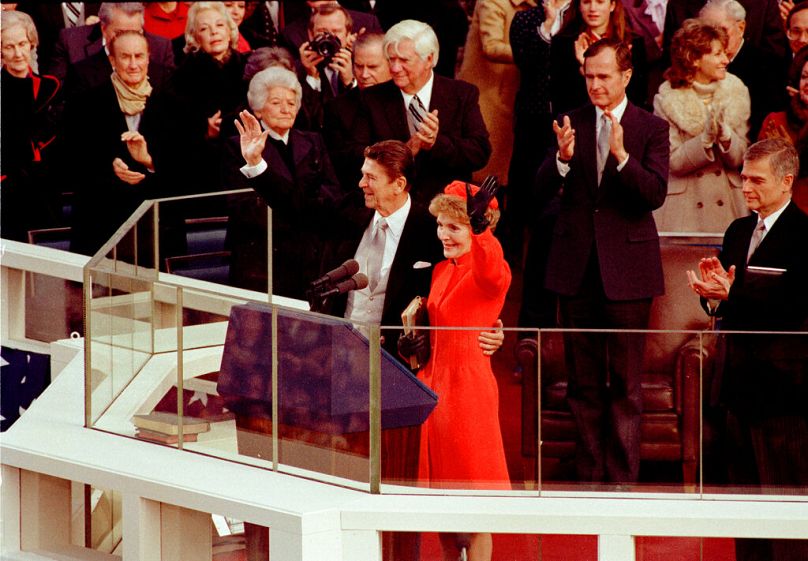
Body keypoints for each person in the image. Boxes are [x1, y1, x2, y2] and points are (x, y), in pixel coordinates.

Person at [535, 38, 669, 483]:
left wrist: (624, 158)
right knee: (583, 386)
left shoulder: (650, 128)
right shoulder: (568, 121)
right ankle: (590, 482)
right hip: (576, 272)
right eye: (589, 76)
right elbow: (536, 192)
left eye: (603, 76)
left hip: (628, 275)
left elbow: (654, 194)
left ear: (626, 76)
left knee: (625, 387)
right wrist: (561, 160)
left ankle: (622, 485)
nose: (594, 84)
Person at [686, 137, 808, 561]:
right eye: (744, 177)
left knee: (786, 520)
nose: (746, 187)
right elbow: (727, 295)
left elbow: (793, 306)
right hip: (734, 389)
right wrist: (713, 295)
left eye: (756, 179)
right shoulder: (738, 230)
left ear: (786, 181)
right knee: (745, 518)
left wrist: (732, 292)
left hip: (782, 398)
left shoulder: (804, 236)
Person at [397, 178, 510, 561]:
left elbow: (492, 273)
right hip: (434, 392)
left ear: (479, 226)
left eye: (455, 226)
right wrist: (413, 344)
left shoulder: (490, 270)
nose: (444, 234)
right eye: (441, 224)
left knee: (475, 512)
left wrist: (480, 234)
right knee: (444, 512)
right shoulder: (442, 270)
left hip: (468, 395)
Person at [224, 66, 341, 298]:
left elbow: (332, 191)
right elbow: (241, 204)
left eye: (291, 102)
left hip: (310, 254)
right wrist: (300, 210)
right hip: (263, 259)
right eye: (277, 102)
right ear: (258, 109)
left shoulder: (313, 140)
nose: (286, 109)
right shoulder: (238, 146)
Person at [350, 19, 491, 205]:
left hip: (446, 209)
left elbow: (480, 153)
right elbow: (356, 156)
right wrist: (405, 150)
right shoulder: (371, 99)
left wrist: (436, 143)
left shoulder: (462, 94)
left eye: (404, 60)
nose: (394, 68)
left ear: (430, 59)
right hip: (391, 207)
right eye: (391, 59)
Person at [64, 31, 162, 255]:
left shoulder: (171, 102)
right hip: (101, 225)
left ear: (148, 58)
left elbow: (187, 166)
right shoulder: (85, 104)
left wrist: (149, 161)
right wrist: (110, 166)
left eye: (139, 56)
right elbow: (71, 160)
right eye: (125, 57)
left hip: (152, 229)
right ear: (112, 60)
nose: (133, 64)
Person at [652, 19, 750, 233]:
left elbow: (742, 157)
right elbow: (673, 161)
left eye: (725, 52)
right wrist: (703, 141)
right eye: (717, 54)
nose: (725, 59)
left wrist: (726, 137)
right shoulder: (667, 99)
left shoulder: (736, 92)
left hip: (728, 206)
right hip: (686, 209)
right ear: (694, 58)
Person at [150, 1, 248, 196]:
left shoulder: (250, 68)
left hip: (246, 168)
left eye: (219, 25)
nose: (214, 32)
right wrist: (204, 132)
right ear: (194, 37)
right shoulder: (179, 80)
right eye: (204, 28)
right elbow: (168, 135)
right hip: (201, 174)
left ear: (230, 30)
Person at [456, 0, 536, 185]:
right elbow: (491, 46)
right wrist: (536, 51)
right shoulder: (493, 2)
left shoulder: (538, 6)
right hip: (489, 95)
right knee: (488, 166)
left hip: (513, 93)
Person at [0, 9, 62, 241]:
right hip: (8, 194)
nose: (18, 53)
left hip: (46, 193)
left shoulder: (51, 87)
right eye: (9, 46)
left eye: (22, 44)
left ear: (31, 44)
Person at [699, 0, 786, 141]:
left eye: (723, 30)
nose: (716, 40)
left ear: (741, 27)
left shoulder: (766, 68)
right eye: (708, 32)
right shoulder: (696, 66)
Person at [45, 2, 174, 92]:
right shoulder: (71, 42)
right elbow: (57, 96)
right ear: (103, 28)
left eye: (135, 33)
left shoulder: (161, 48)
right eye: (120, 33)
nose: (127, 41)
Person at [549, 0, 650, 116]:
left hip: (622, 123)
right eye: (586, 2)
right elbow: (561, 99)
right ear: (579, 6)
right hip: (578, 125)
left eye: (600, 2)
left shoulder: (633, 43)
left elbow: (638, 97)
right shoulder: (562, 43)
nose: (592, 8)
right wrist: (584, 66)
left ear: (612, 5)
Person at [758, 46, 808, 211]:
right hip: (780, 213)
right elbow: (760, 170)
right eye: (804, 77)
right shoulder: (776, 121)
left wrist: (791, 154)